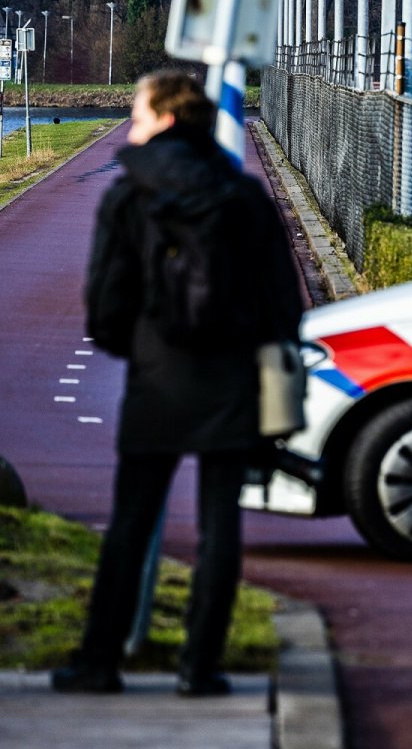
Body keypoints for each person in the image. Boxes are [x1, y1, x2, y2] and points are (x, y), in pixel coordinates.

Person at [51, 71, 304, 697]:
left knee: (131, 521)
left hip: (158, 378)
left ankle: (100, 661)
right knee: (222, 525)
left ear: (165, 118)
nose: (132, 124)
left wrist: (140, 348)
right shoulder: (244, 199)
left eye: (138, 112)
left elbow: (105, 304)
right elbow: (282, 305)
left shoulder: (128, 198)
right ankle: (199, 668)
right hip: (234, 378)